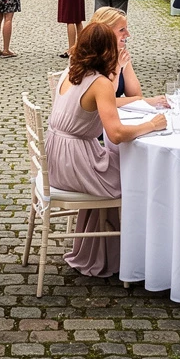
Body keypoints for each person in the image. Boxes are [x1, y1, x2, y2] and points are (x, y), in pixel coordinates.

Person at [45, 23, 166, 277]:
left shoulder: (71, 72)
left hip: (57, 160)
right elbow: (116, 134)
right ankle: (148, 250)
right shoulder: (98, 83)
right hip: (76, 163)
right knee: (137, 177)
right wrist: (151, 124)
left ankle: (101, 249)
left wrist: (117, 70)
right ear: (105, 50)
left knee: (117, 164)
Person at [89, 7, 167, 107]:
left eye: (126, 28)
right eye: (122, 30)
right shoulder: (88, 57)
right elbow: (102, 101)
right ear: (106, 31)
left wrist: (137, 100)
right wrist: (143, 101)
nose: (128, 34)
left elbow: (135, 94)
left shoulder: (120, 54)